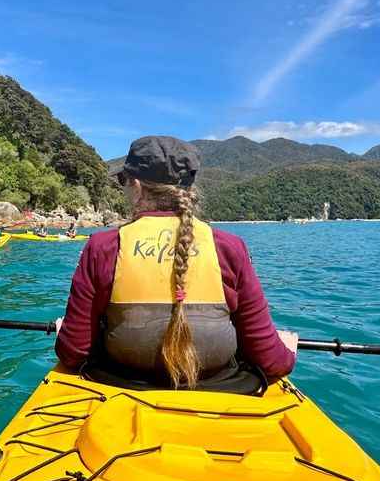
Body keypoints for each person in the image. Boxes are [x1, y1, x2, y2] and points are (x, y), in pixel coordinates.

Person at [55, 135, 297, 391]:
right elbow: (270, 361)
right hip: (220, 388)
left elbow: (73, 354)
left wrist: (67, 335)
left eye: (122, 180)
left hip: (120, 386)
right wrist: (286, 352)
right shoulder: (230, 247)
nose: (123, 187)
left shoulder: (102, 247)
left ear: (136, 186)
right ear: (189, 189)